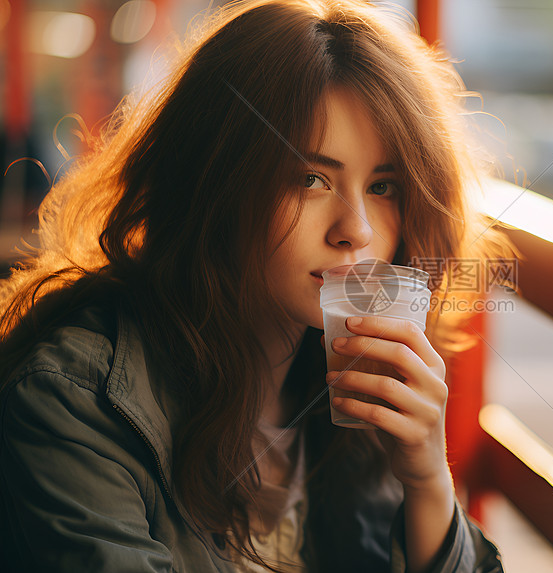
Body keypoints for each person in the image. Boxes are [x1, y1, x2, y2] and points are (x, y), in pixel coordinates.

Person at [0, 1, 517, 572]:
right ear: (217, 179)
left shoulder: (351, 385)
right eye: (311, 178)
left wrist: (427, 479)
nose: (357, 230)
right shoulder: (76, 401)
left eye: (384, 186)